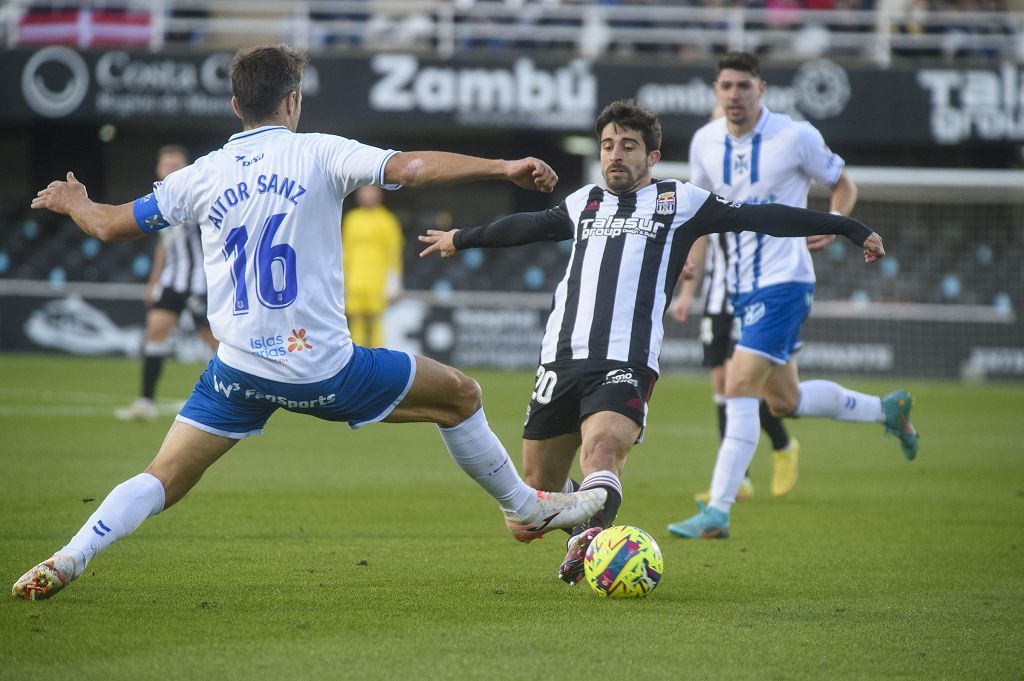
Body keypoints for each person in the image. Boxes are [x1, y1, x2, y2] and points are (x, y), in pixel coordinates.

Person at [13, 43, 606, 601]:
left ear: (235, 106)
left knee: (161, 476)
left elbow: (112, 224)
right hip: (322, 368)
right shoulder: (320, 151)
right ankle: (524, 509)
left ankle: (71, 554)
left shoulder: (201, 174)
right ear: (292, 101)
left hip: (238, 369)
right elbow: (415, 167)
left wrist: (73, 202)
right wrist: (503, 167)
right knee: (460, 395)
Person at [418, 98, 887, 585]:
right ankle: (586, 528)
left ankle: (594, 545)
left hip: (626, 359)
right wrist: (462, 237)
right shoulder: (584, 203)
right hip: (560, 360)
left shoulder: (681, 201)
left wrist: (846, 225)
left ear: (653, 156)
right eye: (607, 145)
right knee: (532, 501)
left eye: (628, 146)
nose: (615, 155)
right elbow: (525, 227)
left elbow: (765, 216)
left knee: (600, 452)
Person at [667, 52, 919, 540]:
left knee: (738, 385)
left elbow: (842, 184)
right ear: (715, 92)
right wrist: (687, 264)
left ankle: (718, 510)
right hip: (740, 287)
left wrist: (834, 225)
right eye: (726, 86)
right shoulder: (704, 142)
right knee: (783, 401)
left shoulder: (795, 136)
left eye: (744, 86)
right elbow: (697, 214)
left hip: (785, 281)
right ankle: (887, 410)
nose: (734, 95)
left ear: (761, 89)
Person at [669, 232, 798, 502]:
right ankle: (740, 482)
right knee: (720, 387)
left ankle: (783, 445)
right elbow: (701, 242)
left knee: (736, 383)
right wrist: (687, 294)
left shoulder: (752, 196)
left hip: (749, 298)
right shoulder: (708, 191)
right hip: (715, 304)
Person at [116, 145, 218, 421]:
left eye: (176, 164)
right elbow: (164, 245)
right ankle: (145, 402)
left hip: (202, 282)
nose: (171, 169)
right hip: (173, 281)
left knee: (216, 343)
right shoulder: (159, 199)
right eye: (166, 165)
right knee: (155, 333)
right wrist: (154, 281)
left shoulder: (197, 194)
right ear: (158, 169)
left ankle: (233, 396)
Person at [341, 185, 404, 347]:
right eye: (364, 193)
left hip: (378, 279)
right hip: (354, 278)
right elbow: (343, 250)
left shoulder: (387, 220)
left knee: (376, 319)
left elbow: (394, 252)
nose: (367, 196)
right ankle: (355, 357)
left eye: (371, 193)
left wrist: (394, 281)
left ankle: (377, 359)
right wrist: (340, 277)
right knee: (356, 319)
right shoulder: (351, 219)